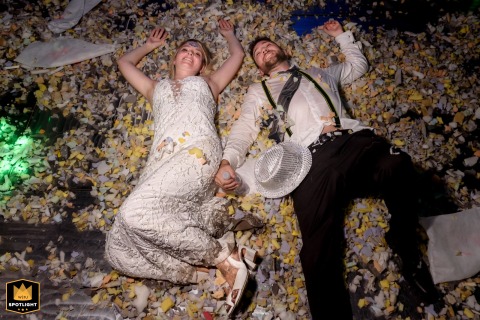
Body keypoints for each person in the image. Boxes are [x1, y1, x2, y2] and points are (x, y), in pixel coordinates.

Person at [215, 20, 441, 319]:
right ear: (259, 67)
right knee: (317, 249)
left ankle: (404, 242)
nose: (264, 49)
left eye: (268, 45)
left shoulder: (320, 72)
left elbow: (357, 67)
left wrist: (341, 37)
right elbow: (244, 128)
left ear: (283, 50)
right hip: (310, 159)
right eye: (257, 52)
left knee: (398, 164)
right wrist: (227, 160)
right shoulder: (260, 91)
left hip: (354, 142)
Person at [105, 18, 255, 316]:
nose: (190, 53)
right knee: (117, 248)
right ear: (174, 58)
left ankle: (224, 257)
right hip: (160, 161)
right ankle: (196, 272)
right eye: (185, 49)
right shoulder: (154, 88)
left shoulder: (209, 84)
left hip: (197, 151)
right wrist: (148, 46)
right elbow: (124, 62)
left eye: (197, 53)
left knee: (134, 213)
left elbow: (236, 57)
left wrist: (230, 36)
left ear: (202, 66)